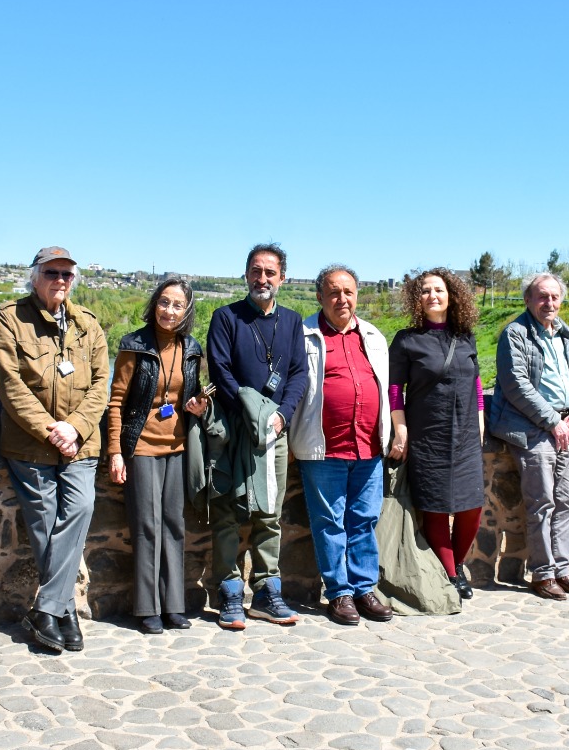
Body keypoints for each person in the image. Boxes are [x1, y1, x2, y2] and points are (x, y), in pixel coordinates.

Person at [0, 246, 109, 653]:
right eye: (52, 273)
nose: (60, 280)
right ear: (35, 276)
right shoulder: (11, 318)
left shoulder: (88, 325)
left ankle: (46, 609)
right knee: (44, 522)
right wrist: (51, 430)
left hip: (81, 441)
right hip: (30, 444)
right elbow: (10, 384)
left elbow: (101, 384)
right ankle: (64, 612)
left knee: (80, 507)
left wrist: (74, 427)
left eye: (67, 274)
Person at [205, 243, 308, 629]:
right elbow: (220, 370)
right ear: (246, 274)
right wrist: (253, 413)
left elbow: (298, 373)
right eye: (256, 271)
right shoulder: (226, 317)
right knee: (227, 512)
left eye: (270, 272)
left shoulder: (292, 321)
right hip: (233, 430)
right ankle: (230, 591)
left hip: (274, 432)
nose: (262, 279)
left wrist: (281, 416)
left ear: (282, 278)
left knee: (269, 514)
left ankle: (266, 592)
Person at [106, 276, 210, 634]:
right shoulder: (134, 345)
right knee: (146, 526)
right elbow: (116, 403)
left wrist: (199, 405)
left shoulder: (192, 348)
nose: (170, 310)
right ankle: (147, 607)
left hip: (178, 448)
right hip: (142, 447)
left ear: (187, 310)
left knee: (174, 525)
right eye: (164, 302)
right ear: (155, 305)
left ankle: (174, 605)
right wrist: (116, 451)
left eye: (178, 305)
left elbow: (193, 395)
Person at [291, 266, 394, 626]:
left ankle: (364, 588)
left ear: (357, 295)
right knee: (329, 523)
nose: (342, 299)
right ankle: (339, 593)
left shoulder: (373, 336)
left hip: (368, 447)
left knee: (364, 521)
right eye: (334, 292)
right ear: (320, 296)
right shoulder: (303, 335)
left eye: (348, 292)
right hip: (323, 448)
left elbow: (386, 386)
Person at [486, 272, 569, 599]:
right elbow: (516, 384)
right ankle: (543, 574)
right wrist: (552, 421)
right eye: (542, 296)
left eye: (554, 297)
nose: (549, 302)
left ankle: (563, 570)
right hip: (532, 428)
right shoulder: (515, 333)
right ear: (528, 300)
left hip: (565, 427)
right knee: (541, 502)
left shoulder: (565, 334)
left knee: (566, 501)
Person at [387, 268, 488, 600]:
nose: (432, 295)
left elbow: (476, 383)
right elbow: (394, 390)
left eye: (439, 290)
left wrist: (480, 422)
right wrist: (400, 429)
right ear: (417, 299)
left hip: (467, 435)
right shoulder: (406, 340)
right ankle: (451, 574)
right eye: (425, 290)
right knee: (434, 506)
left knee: (472, 506)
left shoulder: (466, 336)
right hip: (427, 434)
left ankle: (456, 563)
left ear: (451, 296)